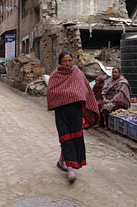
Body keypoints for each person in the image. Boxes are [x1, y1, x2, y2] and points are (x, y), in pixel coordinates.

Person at [46, 51, 100, 183]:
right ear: (60, 62)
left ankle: (61, 161)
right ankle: (70, 169)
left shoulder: (77, 72)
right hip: (62, 112)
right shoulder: (55, 76)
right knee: (65, 138)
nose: (68, 63)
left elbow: (85, 89)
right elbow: (51, 92)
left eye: (69, 60)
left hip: (75, 112)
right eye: (64, 61)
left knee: (75, 137)